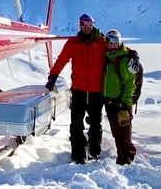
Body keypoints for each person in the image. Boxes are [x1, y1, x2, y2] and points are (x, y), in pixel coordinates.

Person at [45, 13, 107, 164]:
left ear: (93, 25)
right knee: (76, 123)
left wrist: (132, 55)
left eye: (90, 25)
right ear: (80, 25)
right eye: (84, 25)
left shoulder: (102, 41)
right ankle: (78, 154)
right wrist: (53, 76)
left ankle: (94, 151)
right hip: (78, 89)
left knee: (95, 122)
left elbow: (117, 50)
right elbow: (62, 59)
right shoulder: (73, 42)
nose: (87, 28)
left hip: (96, 91)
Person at [101, 28, 138, 165]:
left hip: (121, 103)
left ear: (120, 41)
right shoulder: (108, 56)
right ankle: (122, 158)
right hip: (109, 102)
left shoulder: (125, 60)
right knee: (117, 133)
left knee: (123, 134)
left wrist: (125, 104)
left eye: (114, 40)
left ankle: (126, 160)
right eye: (108, 41)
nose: (111, 44)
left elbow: (130, 84)